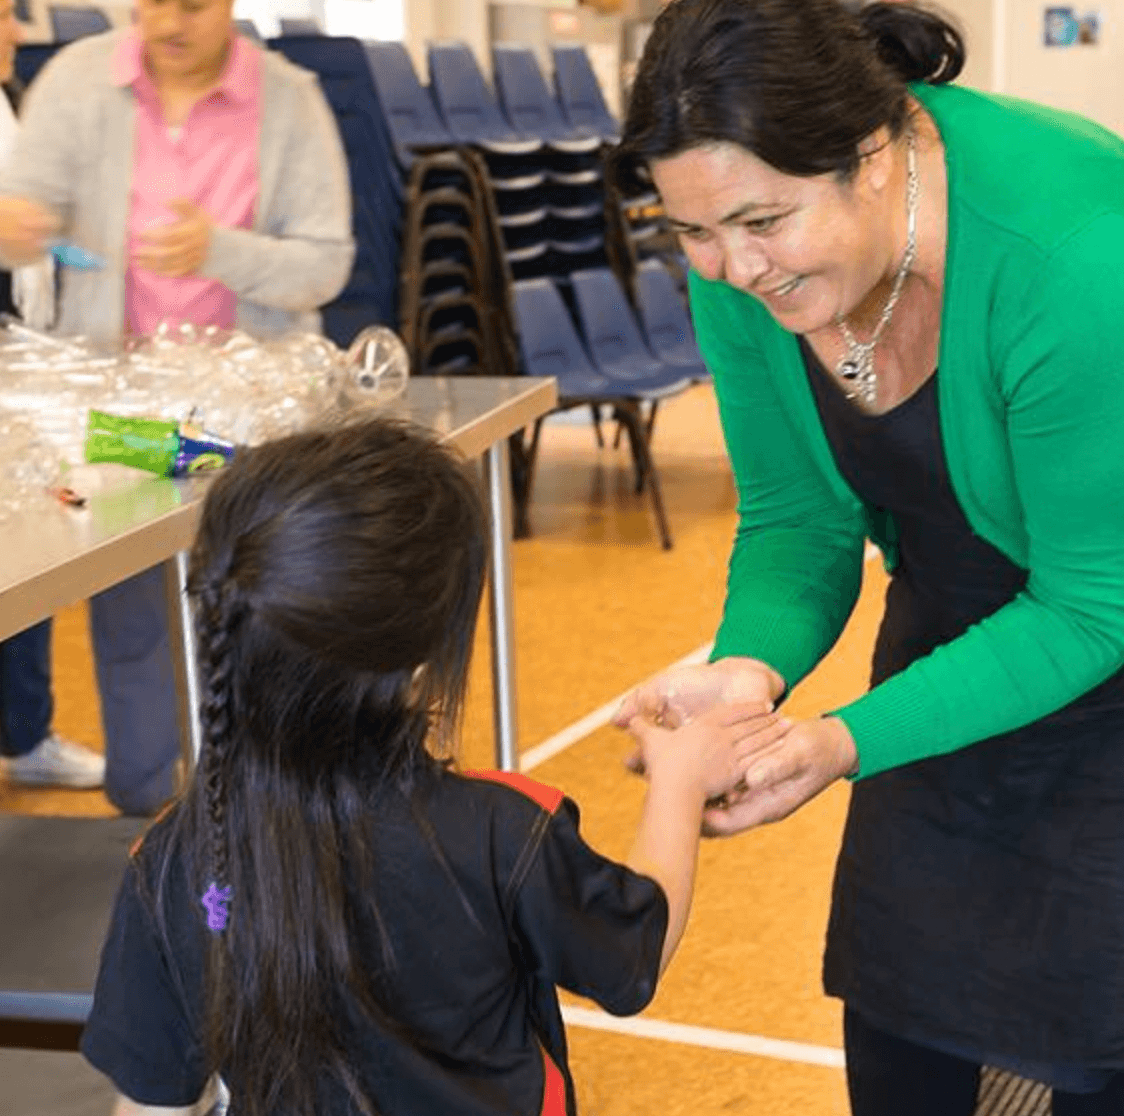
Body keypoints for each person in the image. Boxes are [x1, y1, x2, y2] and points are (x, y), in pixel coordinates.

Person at [609, 2, 1124, 1114]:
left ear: (870, 155)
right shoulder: (736, 256)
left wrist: (841, 740)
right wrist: (749, 670)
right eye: (693, 232)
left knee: (1115, 1016)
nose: (728, 267)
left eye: (759, 222)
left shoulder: (1070, 241)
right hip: (986, 563)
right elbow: (796, 521)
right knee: (904, 967)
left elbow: (1092, 606)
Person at [78, 417, 789, 1116]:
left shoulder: (168, 862)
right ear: (418, 670)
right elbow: (633, 955)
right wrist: (680, 783)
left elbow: (151, 1101)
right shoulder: (502, 831)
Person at [0, 0, 354, 813]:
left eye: (192, 5)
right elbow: (21, 221)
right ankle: (149, 809)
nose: (169, 24)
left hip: (255, 414)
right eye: (151, 4)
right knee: (134, 620)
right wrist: (16, 227)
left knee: (264, 617)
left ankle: (271, 820)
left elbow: (325, 267)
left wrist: (218, 251)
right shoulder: (77, 81)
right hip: (120, 415)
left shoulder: (290, 99)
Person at [0, 0, 106, 792]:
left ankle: (23, 730)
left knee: (28, 541)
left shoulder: (7, 103)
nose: (16, 34)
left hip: (19, 354)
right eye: (0, 18)